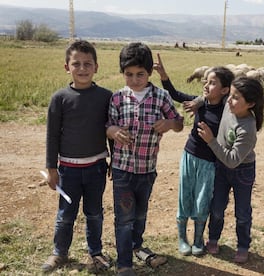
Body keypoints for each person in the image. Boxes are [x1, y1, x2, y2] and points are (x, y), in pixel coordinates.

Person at [106, 42, 184, 276]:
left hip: (147, 170)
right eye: (129, 74)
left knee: (140, 214)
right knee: (124, 217)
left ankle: (136, 245)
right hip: (122, 169)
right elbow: (108, 124)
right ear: (123, 73)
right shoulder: (118, 98)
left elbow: (179, 123)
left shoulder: (161, 97)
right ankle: (124, 263)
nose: (135, 79)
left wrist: (170, 124)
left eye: (140, 74)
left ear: (150, 73)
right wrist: (111, 131)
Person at [42, 40, 113, 272]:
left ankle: (96, 253)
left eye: (87, 64)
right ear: (67, 67)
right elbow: (52, 136)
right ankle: (59, 253)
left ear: (96, 67)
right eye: (76, 64)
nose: (82, 69)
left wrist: (115, 160)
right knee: (65, 215)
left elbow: (111, 130)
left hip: (97, 168)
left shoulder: (106, 97)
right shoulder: (59, 98)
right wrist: (52, 169)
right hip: (68, 170)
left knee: (94, 213)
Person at [154, 54, 234, 256]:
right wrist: (163, 75)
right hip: (189, 156)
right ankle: (182, 238)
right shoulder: (199, 102)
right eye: (206, 81)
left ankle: (198, 239)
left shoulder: (227, 111)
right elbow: (173, 93)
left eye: (213, 83)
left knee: (202, 200)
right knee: (185, 197)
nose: (206, 85)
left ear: (225, 90)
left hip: (209, 163)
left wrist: (202, 100)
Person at [198, 76, 264, 264]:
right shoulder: (229, 106)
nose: (229, 99)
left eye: (236, 97)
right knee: (217, 207)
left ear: (250, 104)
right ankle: (213, 239)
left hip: (241, 170)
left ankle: (243, 246)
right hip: (221, 167)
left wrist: (211, 140)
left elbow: (233, 160)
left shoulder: (247, 128)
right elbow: (209, 96)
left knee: (242, 212)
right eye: (230, 94)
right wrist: (197, 102)